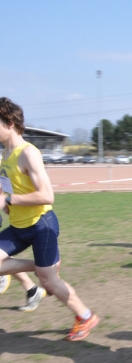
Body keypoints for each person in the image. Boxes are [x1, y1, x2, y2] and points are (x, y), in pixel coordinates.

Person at [0, 97, 99, 339]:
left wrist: (9, 200)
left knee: (50, 283)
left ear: (10, 122)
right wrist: (6, 201)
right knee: (45, 273)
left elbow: (47, 195)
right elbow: (11, 190)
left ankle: (85, 317)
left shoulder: (28, 152)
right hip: (18, 225)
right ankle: (43, 266)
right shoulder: (6, 153)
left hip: (40, 225)